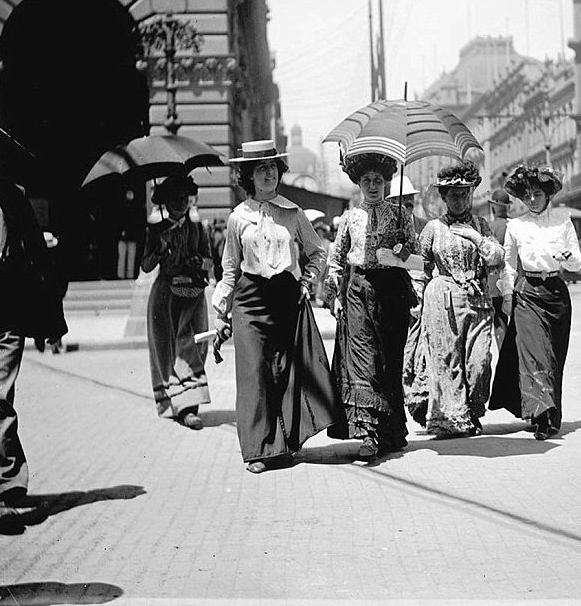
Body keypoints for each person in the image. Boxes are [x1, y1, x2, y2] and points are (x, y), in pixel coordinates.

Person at [212, 140, 339, 474]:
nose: (268, 174)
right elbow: (230, 268)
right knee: (254, 372)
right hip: (249, 300)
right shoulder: (237, 218)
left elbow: (317, 253)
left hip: (285, 296)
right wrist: (221, 310)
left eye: (272, 168)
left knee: (283, 370)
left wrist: (305, 282)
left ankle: (283, 444)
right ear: (249, 176)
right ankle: (256, 450)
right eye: (260, 169)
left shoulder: (293, 213)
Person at [0, 123, 66, 532]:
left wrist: (51, 323)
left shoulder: (10, 198)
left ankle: (3, 494)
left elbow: (38, 260)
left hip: (4, 313)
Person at [325, 152, 421, 460]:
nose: (372, 186)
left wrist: (402, 251)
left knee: (389, 362)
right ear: (358, 183)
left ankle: (390, 430)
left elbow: (417, 257)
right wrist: (333, 291)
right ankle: (367, 433)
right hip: (359, 290)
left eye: (378, 180)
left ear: (387, 182)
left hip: (392, 293)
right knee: (363, 359)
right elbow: (337, 257)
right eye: (366, 180)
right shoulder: (351, 217)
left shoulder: (400, 215)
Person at [405, 163, 504, 438]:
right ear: (444, 197)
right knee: (447, 360)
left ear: (470, 194)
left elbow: (497, 256)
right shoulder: (433, 228)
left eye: (463, 193)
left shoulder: (480, 225)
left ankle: (473, 408)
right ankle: (454, 417)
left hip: (478, 300)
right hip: (443, 299)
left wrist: (476, 237)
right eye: (453, 194)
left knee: (480, 361)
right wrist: (416, 296)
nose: (459, 199)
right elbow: (419, 264)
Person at [489, 165, 581, 440]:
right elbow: (508, 265)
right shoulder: (516, 226)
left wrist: (567, 258)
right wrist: (507, 294)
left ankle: (552, 414)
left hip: (556, 294)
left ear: (548, 194)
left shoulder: (563, 222)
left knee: (554, 357)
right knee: (534, 353)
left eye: (537, 193)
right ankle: (539, 414)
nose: (531, 199)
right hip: (528, 294)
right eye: (527, 195)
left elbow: (577, 262)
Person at [141, 174, 212, 431]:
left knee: (193, 345)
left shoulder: (197, 228)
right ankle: (176, 404)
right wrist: (160, 248)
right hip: (165, 297)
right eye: (175, 199)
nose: (181, 203)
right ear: (166, 202)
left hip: (192, 296)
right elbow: (146, 266)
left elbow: (209, 261)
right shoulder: (155, 230)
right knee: (167, 349)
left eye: (185, 198)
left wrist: (197, 262)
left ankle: (190, 405)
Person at [487, 188, 511, 346]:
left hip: (495, 282)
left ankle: (505, 359)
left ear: (493, 207)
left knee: (500, 322)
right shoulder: (515, 224)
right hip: (515, 280)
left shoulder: (490, 227)